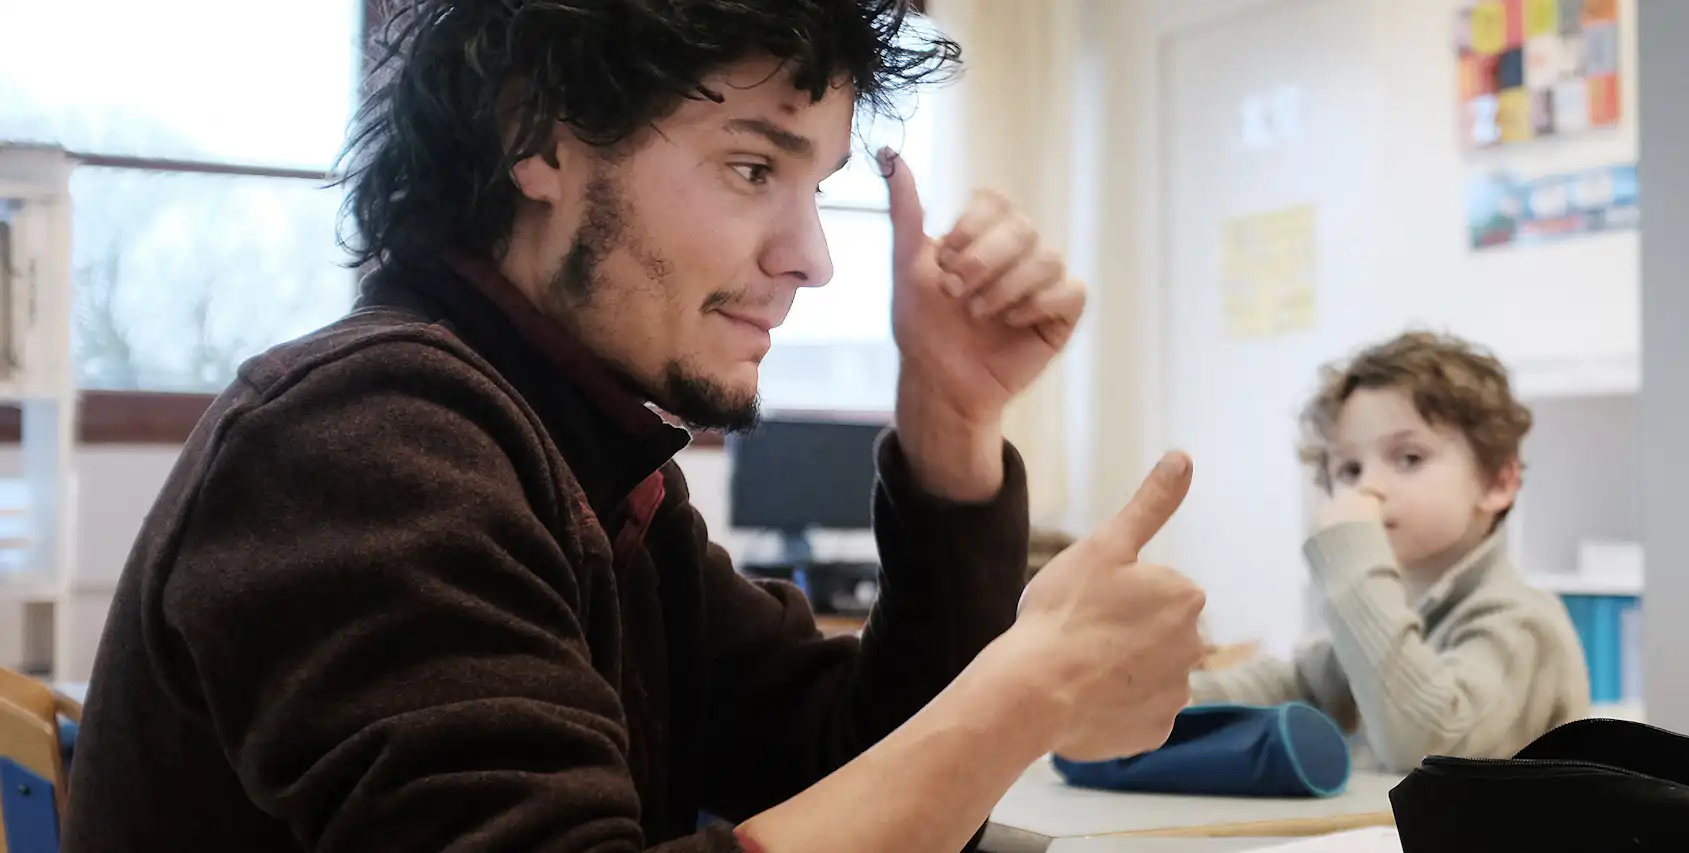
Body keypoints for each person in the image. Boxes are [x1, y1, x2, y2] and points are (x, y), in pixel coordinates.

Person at [65, 2, 1207, 851]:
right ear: (544, 140)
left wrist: (950, 419)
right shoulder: (367, 441)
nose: (811, 256)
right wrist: (1025, 690)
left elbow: (857, 762)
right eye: (753, 165)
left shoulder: (586, 464)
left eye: (818, 188)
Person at [1190, 331, 1589, 772]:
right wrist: (1164, 697)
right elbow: (1295, 685)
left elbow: (1430, 746)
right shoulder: (1403, 617)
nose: (1369, 487)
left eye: (1409, 458)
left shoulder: (1521, 623)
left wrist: (1356, 568)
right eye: (1350, 468)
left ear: (1498, 482)